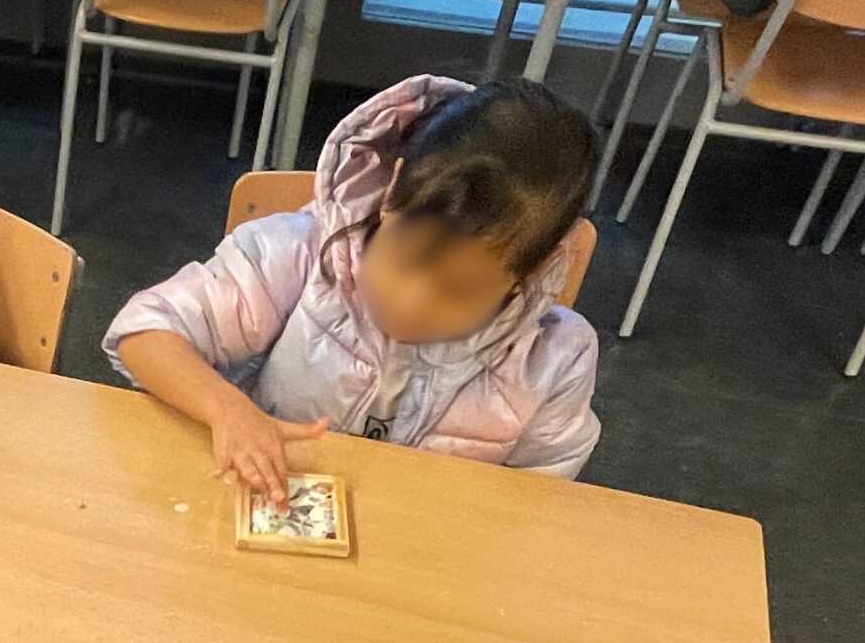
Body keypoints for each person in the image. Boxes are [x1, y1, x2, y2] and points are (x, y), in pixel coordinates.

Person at [105, 76, 602, 495]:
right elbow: (144, 330)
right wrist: (228, 410)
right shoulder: (303, 254)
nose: (413, 302)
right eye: (404, 257)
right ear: (393, 190)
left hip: (427, 558)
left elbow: (541, 503)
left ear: (530, 273)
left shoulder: (555, 360)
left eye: (460, 290)